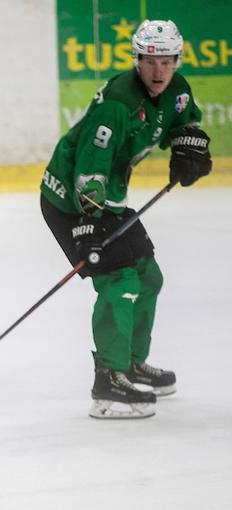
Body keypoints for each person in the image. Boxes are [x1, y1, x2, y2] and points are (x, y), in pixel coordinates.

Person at [39, 19, 211, 419]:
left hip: (109, 198)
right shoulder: (118, 102)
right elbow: (89, 167)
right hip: (72, 199)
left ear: (176, 60)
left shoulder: (177, 91)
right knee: (119, 279)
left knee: (149, 277)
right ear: (137, 60)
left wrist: (190, 149)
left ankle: (130, 362)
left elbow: (185, 124)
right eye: (150, 61)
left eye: (166, 61)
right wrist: (88, 226)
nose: (158, 71)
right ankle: (109, 383)